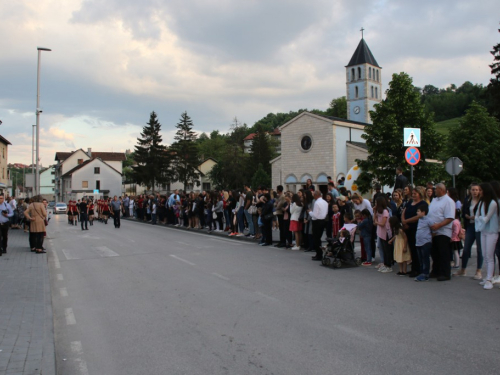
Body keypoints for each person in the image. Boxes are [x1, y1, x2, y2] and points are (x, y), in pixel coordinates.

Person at [428, 183, 455, 281]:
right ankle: (436, 271)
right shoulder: (435, 200)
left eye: (436, 189)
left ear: (441, 190)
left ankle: (445, 273)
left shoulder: (448, 201)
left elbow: (450, 217)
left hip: (443, 230)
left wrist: (438, 225)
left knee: (443, 252)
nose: (434, 191)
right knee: (435, 252)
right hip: (433, 231)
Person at [474, 183, 499, 290]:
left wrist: (478, 218)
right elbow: (478, 216)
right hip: (483, 230)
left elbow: (486, 218)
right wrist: (479, 218)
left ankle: (489, 279)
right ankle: (487, 277)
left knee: (489, 255)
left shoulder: (493, 203)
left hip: (492, 231)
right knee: (485, 255)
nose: (479, 192)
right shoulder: (482, 202)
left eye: (480, 190)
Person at [455, 183, 482, 278]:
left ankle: (478, 271)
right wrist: (466, 216)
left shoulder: (482, 201)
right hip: (470, 225)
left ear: (479, 191)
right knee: (466, 248)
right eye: (473, 190)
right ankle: (463, 269)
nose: (475, 192)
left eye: (476, 190)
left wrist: (477, 217)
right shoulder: (468, 200)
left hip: (479, 226)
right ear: (470, 191)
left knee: (480, 249)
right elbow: (463, 212)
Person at [401, 186, 428, 277]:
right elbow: (404, 211)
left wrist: (407, 221)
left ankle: (418, 269)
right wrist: (403, 221)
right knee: (412, 249)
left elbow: (418, 216)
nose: (413, 195)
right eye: (412, 194)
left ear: (420, 194)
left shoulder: (423, 203)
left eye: (415, 194)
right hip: (407, 228)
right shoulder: (410, 202)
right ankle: (413, 268)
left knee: (417, 250)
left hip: (416, 228)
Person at [374, 196, 392, 273]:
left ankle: (389, 266)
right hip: (380, 232)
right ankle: (385, 264)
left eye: (376, 203)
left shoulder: (385, 211)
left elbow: (382, 223)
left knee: (387, 250)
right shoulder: (379, 211)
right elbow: (374, 220)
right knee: (383, 249)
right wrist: (374, 211)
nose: (375, 204)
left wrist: (377, 222)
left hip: (386, 232)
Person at [308, 190, 328, 261]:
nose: (313, 196)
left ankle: (319, 254)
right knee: (318, 237)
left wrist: (310, 212)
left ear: (316, 195)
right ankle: (318, 253)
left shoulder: (317, 203)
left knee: (316, 238)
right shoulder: (325, 202)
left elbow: (315, 215)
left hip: (316, 221)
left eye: (314, 195)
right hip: (323, 220)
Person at [415, 205, 433, 281]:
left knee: (425, 258)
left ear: (423, 212)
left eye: (418, 211)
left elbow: (433, 229)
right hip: (418, 242)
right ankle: (422, 272)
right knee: (420, 259)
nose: (417, 212)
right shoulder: (419, 220)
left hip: (425, 242)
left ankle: (426, 273)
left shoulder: (428, 220)